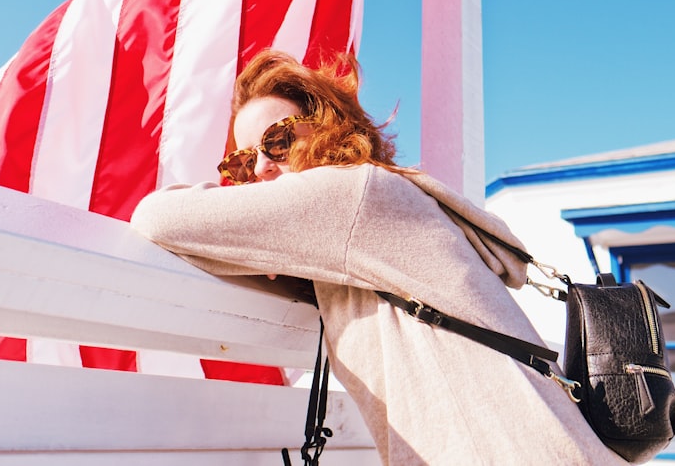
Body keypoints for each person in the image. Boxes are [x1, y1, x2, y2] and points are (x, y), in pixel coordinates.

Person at [130, 50, 626, 465]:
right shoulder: (377, 207)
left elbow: (157, 217)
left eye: (277, 141)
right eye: (242, 161)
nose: (260, 168)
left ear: (323, 126)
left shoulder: (349, 194)